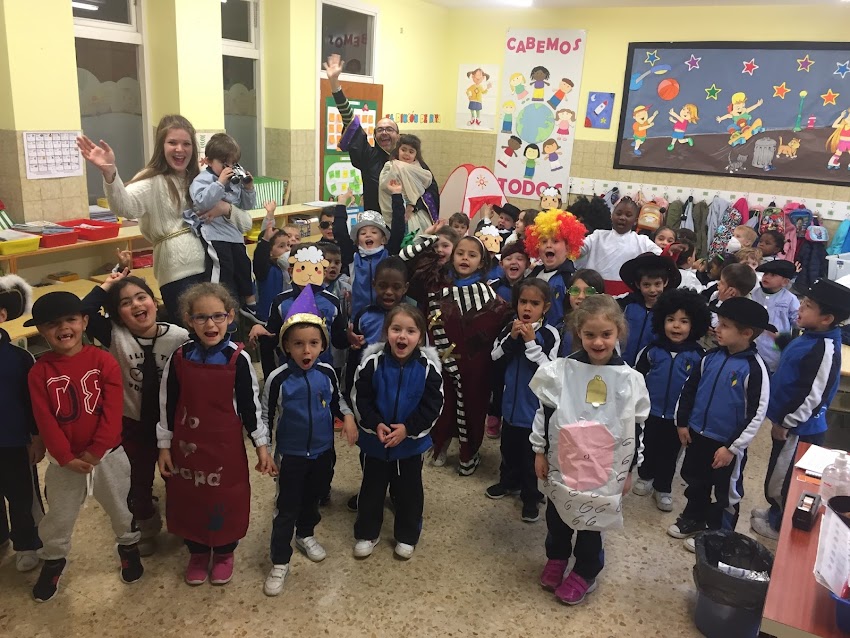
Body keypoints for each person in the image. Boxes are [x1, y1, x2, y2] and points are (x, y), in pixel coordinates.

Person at [531, 295, 650, 605]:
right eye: (590, 334)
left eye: (606, 334)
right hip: (563, 462)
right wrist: (539, 451)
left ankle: (586, 570)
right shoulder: (560, 371)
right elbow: (544, 413)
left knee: (591, 524)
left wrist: (630, 471)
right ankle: (557, 557)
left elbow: (636, 427)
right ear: (578, 333)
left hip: (606, 468)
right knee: (557, 517)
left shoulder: (630, 380)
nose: (598, 342)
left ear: (619, 333)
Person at [77, 115, 252, 322]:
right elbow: (125, 207)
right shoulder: (152, 181)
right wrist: (110, 174)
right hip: (179, 274)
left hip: (215, 266)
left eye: (186, 143)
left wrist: (225, 209)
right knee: (189, 337)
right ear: (161, 146)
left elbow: (246, 223)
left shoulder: (207, 180)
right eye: (172, 143)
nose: (180, 149)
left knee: (220, 333)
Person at [27, 292, 143, 602]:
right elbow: (45, 420)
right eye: (53, 324)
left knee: (120, 506)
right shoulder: (39, 371)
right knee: (59, 516)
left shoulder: (103, 360)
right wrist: (65, 457)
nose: (63, 328)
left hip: (108, 455)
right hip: (63, 463)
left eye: (70, 320)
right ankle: (53, 560)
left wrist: (95, 452)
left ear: (84, 321)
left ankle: (128, 547)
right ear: (41, 331)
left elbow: (112, 412)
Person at [158, 283, 272, 586]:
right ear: (188, 320)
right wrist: (164, 446)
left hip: (225, 451)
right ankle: (196, 550)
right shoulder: (180, 358)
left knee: (226, 498)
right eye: (202, 318)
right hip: (187, 449)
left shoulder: (239, 360)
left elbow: (250, 407)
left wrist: (261, 445)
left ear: (231, 317)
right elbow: (167, 404)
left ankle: (223, 551)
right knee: (189, 499)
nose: (211, 324)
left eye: (218, 316)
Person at [81, 270, 189, 555]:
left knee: (177, 477)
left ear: (154, 302)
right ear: (117, 314)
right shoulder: (115, 336)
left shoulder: (179, 336)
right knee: (136, 479)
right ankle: (147, 525)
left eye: (142, 297)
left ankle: (184, 523)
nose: (137, 305)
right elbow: (86, 311)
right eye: (126, 303)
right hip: (132, 424)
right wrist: (106, 285)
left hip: (172, 423)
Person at [261, 286, 357, 596]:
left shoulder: (327, 372)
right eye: (298, 344)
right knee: (286, 506)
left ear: (323, 345)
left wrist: (350, 419)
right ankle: (279, 560)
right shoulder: (277, 378)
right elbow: (265, 415)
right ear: (286, 346)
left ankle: (305, 534)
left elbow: (339, 400)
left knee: (314, 497)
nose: (306, 351)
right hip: (290, 454)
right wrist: (264, 449)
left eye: (314, 344)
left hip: (323, 452)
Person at [667, 297, 771, 552]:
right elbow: (689, 389)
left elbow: (756, 413)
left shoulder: (754, 369)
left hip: (725, 445)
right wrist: (682, 423)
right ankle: (694, 518)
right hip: (698, 434)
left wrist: (732, 448)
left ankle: (720, 534)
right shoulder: (709, 357)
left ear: (746, 333)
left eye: (724, 325)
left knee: (725, 493)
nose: (716, 328)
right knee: (696, 481)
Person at [751, 278, 850, 540]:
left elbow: (813, 395)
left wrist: (787, 423)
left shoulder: (824, 348)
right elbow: (795, 355)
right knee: (777, 471)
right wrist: (778, 339)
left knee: (784, 480)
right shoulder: (812, 336)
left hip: (799, 429)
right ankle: (775, 511)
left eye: (806, 306)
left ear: (827, 318)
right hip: (788, 423)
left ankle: (779, 524)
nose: (799, 310)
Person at [351, 305, 444, 559]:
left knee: (409, 494)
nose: (402, 336)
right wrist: (374, 423)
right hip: (375, 443)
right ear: (386, 332)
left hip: (410, 447)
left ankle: (407, 535)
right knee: (371, 491)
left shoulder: (428, 368)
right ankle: (368, 533)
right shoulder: (372, 363)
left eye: (410, 331)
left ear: (421, 336)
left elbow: (433, 405)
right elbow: (361, 398)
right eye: (396, 329)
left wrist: (408, 430)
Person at [417, 235, 512, 474]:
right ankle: (440, 445)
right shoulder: (438, 289)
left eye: (472, 255)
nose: (465, 258)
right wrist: (430, 238)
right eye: (460, 253)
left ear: (481, 262)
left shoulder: (492, 298)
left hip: (476, 367)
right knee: (443, 405)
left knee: (473, 407)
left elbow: (497, 322)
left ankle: (469, 452)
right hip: (444, 362)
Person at [325, 54, 439, 215]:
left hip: (407, 225)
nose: (384, 133)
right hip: (376, 225)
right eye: (380, 130)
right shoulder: (368, 156)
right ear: (374, 136)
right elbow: (349, 119)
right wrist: (334, 84)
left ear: (398, 136)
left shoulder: (411, 161)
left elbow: (431, 192)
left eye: (389, 129)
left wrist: (414, 207)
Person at [488, 279, 560, 522]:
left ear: (546, 307)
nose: (527, 308)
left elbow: (550, 371)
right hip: (509, 407)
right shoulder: (509, 327)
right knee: (508, 450)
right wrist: (512, 338)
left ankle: (531, 498)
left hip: (533, 412)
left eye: (535, 303)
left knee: (531, 459)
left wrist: (530, 342)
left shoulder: (550, 335)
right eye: (523, 302)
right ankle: (508, 482)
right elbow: (494, 356)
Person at [633, 289, 709, 512]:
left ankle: (663, 487)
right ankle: (645, 475)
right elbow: (637, 379)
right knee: (648, 445)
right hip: (651, 411)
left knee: (671, 452)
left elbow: (700, 390)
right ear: (661, 321)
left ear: (694, 324)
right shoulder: (652, 351)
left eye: (684, 321)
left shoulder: (699, 356)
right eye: (671, 320)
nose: (676, 326)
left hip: (678, 418)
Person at [187, 133, 258, 318]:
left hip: (233, 233)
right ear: (209, 161)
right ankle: (219, 304)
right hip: (214, 234)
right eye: (224, 163)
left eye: (233, 164)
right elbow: (202, 203)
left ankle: (249, 303)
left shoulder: (234, 180)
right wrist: (219, 183)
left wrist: (248, 188)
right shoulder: (203, 180)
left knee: (243, 265)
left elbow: (246, 206)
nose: (229, 168)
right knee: (223, 268)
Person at [0, 275, 44, 574]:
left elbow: (33, 405)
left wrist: (37, 437)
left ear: (2, 315)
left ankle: (27, 543)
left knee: (22, 497)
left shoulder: (20, 359)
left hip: (15, 442)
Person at [250, 244, 348, 378]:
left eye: (315, 269)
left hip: (322, 371)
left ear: (323, 272)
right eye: (302, 268)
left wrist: (350, 337)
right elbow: (273, 338)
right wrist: (261, 331)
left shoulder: (332, 302)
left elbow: (338, 340)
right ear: (291, 271)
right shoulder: (281, 302)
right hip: (290, 373)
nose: (308, 273)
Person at [576, 198, 662, 295]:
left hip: (627, 296)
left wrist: (672, 250)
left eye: (628, 215)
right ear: (612, 216)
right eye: (618, 213)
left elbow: (662, 257)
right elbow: (577, 250)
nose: (622, 218)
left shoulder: (643, 241)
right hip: (595, 293)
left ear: (635, 220)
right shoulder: (597, 236)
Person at [333, 205, 404, 318]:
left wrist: (396, 195)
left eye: (374, 232)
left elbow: (398, 229)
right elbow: (341, 234)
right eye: (363, 233)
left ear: (383, 239)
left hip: (388, 315)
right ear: (357, 241)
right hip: (360, 316)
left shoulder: (389, 254)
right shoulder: (353, 257)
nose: (368, 235)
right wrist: (341, 206)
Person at [618, 253, 682, 366]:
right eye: (646, 285)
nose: (653, 290)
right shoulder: (627, 304)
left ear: (665, 282)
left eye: (657, 284)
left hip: (650, 366)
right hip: (622, 363)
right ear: (638, 285)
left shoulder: (669, 310)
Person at [526, 209, 587, 327]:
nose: (548, 245)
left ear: (568, 247)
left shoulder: (571, 279)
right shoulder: (533, 274)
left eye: (555, 241)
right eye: (543, 241)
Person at [379, 136, 438, 237]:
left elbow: (428, 190)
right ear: (398, 150)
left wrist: (413, 205)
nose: (407, 154)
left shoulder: (422, 171)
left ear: (416, 155)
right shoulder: (390, 165)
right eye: (403, 150)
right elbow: (384, 186)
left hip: (417, 213)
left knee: (418, 240)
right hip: (395, 208)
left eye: (411, 152)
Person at [751, 260, 799, 374]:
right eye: (765, 274)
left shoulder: (790, 299)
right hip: (753, 344)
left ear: (785, 282)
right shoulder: (754, 294)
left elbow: (798, 321)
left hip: (775, 349)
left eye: (772, 275)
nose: (766, 277)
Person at [253, 203, 292, 324]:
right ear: (269, 252)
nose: (287, 249)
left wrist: (271, 213)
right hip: (267, 320)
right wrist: (265, 240)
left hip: (286, 317)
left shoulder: (287, 267)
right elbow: (262, 250)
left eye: (288, 245)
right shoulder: (266, 269)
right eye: (282, 246)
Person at [558, 269, 605, 357]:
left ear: (600, 295)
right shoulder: (560, 327)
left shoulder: (608, 328)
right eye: (575, 290)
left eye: (589, 291)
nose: (581, 296)